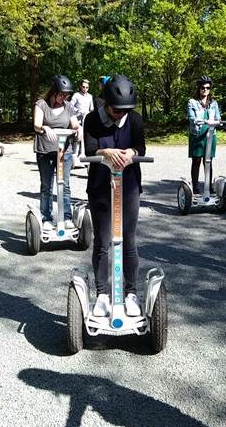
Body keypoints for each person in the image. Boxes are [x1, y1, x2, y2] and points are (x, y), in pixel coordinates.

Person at [83, 74, 146, 318]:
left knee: (128, 240)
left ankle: (131, 293)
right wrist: (106, 152)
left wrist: (131, 152)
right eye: (116, 110)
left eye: (125, 111)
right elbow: (90, 149)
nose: (121, 115)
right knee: (103, 240)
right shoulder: (92, 119)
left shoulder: (135, 119)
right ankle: (102, 295)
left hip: (128, 186)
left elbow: (140, 147)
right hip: (100, 186)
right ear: (107, 104)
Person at [33, 74, 79, 230]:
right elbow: (36, 125)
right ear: (54, 91)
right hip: (45, 151)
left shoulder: (69, 107)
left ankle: (66, 217)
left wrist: (78, 129)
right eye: (62, 94)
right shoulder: (41, 104)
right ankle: (46, 217)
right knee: (47, 185)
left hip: (64, 151)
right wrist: (45, 127)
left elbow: (74, 124)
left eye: (67, 95)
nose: (64, 97)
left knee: (64, 184)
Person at [187, 76, 221, 194]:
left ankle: (209, 186)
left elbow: (218, 117)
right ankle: (195, 188)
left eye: (208, 88)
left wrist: (218, 121)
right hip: (197, 134)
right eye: (203, 87)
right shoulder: (192, 102)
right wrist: (199, 121)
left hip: (210, 134)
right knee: (196, 160)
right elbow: (191, 117)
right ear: (199, 88)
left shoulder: (214, 103)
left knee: (208, 161)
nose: (205, 90)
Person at [71, 78, 94, 165]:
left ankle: (82, 156)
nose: (85, 89)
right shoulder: (76, 95)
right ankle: (74, 157)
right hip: (78, 121)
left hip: (86, 121)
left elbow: (91, 108)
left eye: (87, 87)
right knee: (77, 138)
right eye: (83, 87)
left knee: (85, 139)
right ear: (80, 86)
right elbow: (70, 106)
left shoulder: (90, 96)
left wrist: (89, 114)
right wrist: (78, 111)